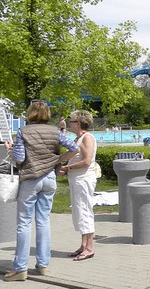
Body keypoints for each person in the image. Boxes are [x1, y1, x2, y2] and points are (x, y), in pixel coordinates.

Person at [2, 100, 78, 281]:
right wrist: (59, 159)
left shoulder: (23, 131)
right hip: (49, 180)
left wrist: (10, 150)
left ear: (30, 114)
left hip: (30, 180)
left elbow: (19, 158)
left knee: (24, 224)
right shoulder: (55, 131)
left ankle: (20, 268)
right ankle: (43, 265)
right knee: (43, 221)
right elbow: (74, 148)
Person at [58, 110, 97, 261]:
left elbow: (87, 161)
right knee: (79, 211)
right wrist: (57, 163)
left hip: (84, 179)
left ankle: (89, 248)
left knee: (85, 210)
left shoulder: (87, 138)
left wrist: (68, 168)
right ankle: (83, 245)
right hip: (77, 179)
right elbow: (69, 154)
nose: (69, 123)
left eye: (72, 121)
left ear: (79, 123)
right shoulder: (78, 139)